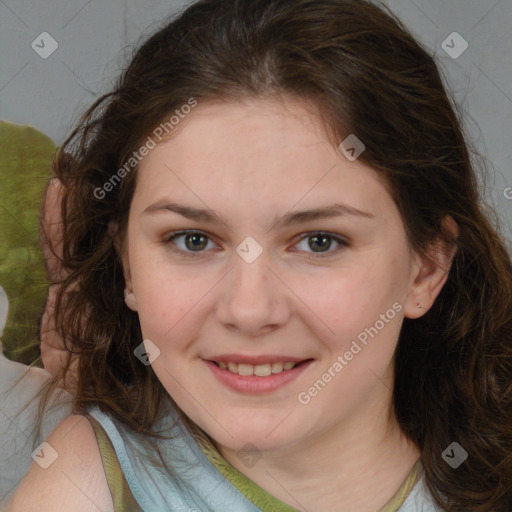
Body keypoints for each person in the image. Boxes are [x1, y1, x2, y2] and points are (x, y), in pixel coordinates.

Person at [5, 0, 512, 510]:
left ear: (426, 268)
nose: (248, 310)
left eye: (319, 241)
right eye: (193, 240)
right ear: (127, 266)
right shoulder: (81, 485)